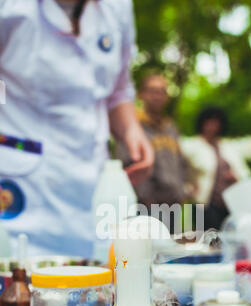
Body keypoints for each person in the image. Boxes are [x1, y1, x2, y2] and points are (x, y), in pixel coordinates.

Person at [0, 0, 154, 257]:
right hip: (21, 186)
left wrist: (131, 131)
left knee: (96, 277)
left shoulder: (118, 7)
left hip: (92, 184)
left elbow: (117, 89)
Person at [181, 107, 251, 230]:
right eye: (209, 122)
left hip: (231, 204)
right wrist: (187, 188)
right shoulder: (191, 146)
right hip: (206, 205)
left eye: (215, 122)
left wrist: (236, 177)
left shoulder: (228, 146)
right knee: (209, 239)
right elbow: (177, 167)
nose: (212, 126)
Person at [115, 74, 197, 213]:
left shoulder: (171, 128)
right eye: (152, 91)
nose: (157, 96)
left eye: (162, 92)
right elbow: (127, 164)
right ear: (141, 94)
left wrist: (184, 190)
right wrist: (145, 198)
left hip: (174, 205)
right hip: (145, 206)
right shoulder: (133, 126)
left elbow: (180, 162)